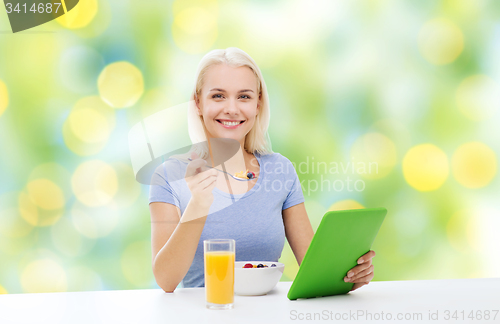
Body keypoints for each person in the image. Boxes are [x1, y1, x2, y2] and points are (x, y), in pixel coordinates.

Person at [149, 47, 376, 292]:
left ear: (258, 104)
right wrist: (199, 205)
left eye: (244, 97)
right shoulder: (169, 176)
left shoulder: (280, 170)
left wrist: (351, 276)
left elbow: (315, 270)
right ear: (198, 103)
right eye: (218, 96)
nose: (232, 109)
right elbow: (166, 280)